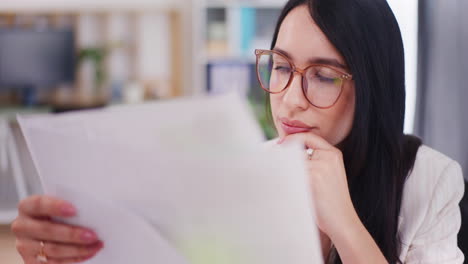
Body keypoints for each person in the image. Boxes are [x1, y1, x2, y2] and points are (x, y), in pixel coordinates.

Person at [11, 0, 465, 263]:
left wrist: (343, 224)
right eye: (282, 66)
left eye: (324, 75)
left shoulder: (428, 181)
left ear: (375, 85)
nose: (289, 99)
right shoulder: (239, 169)